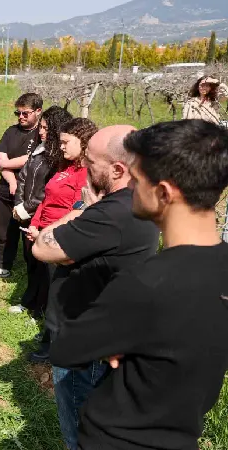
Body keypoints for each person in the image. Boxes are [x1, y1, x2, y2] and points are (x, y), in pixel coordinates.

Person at [51, 119, 228, 450]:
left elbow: (66, 348)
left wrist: (119, 342)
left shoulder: (145, 282)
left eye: (138, 179)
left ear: (163, 193)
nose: (130, 185)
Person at [32, 125, 160, 450]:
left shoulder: (111, 213)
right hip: (99, 339)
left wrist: (81, 210)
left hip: (84, 348)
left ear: (117, 169)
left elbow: (43, 247)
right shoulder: (134, 205)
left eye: (91, 162)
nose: (85, 170)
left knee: (80, 435)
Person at [24, 117, 97, 363]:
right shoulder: (64, 167)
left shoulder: (86, 175)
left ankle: (54, 348)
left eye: (67, 142)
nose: (61, 146)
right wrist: (36, 224)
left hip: (60, 239)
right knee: (51, 291)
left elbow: (77, 211)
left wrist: (49, 234)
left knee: (58, 296)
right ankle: (49, 338)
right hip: (45, 233)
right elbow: (46, 198)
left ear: (84, 142)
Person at [10, 106, 72, 318]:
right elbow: (23, 178)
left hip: (39, 217)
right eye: (41, 127)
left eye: (45, 127)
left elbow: (48, 193)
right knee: (31, 262)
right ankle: (30, 301)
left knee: (43, 267)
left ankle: (40, 308)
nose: (41, 131)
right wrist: (19, 204)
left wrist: (26, 209)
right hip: (28, 215)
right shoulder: (38, 150)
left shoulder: (59, 159)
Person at [0, 93, 42, 279]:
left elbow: (31, 159)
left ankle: (33, 270)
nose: (21, 117)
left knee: (28, 232)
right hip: (7, 188)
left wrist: (5, 165)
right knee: (4, 230)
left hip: (30, 192)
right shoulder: (11, 131)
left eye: (25, 113)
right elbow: (0, 158)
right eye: (18, 113)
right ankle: (3, 265)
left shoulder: (41, 133)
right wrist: (12, 181)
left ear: (38, 111)